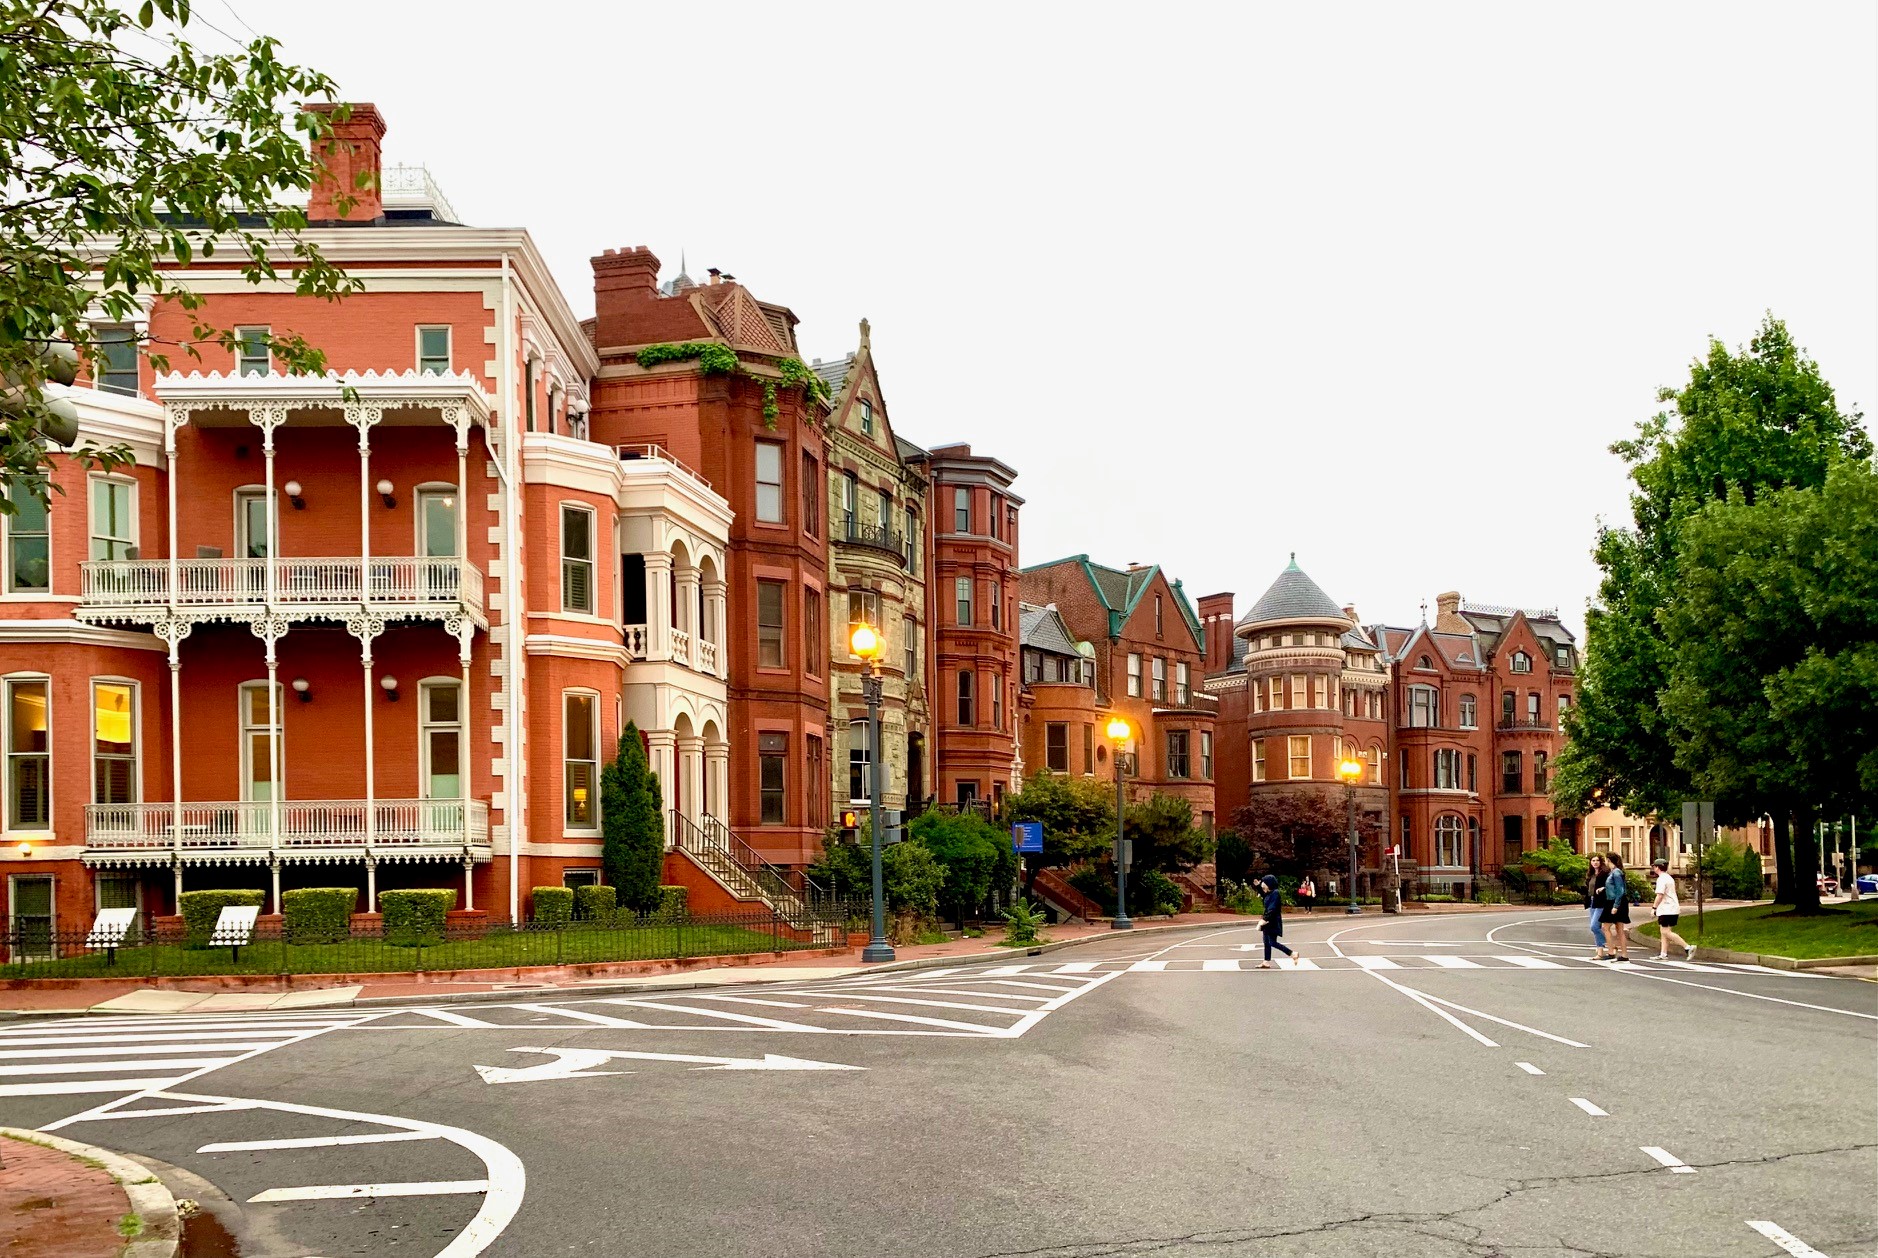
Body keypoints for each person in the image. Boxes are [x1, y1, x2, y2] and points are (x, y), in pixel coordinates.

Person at [1651, 859, 1695, 960]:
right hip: (1672, 908)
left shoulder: (1661, 879)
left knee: (1666, 932)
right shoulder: (1669, 878)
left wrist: (1654, 908)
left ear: (1657, 867)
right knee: (1664, 931)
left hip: (1667, 908)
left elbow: (1659, 895)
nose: (1653, 869)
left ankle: (1687, 947)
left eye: (1654, 867)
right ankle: (1663, 953)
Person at [1257, 874, 1294, 969]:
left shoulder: (1275, 893)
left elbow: (1272, 908)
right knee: (1266, 942)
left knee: (1272, 942)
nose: (1262, 885)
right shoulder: (1268, 893)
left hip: (1273, 921)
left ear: (1269, 884)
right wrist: (1258, 886)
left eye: (1264, 883)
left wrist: (1264, 919)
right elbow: (1263, 894)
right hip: (1267, 921)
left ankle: (1292, 953)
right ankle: (1266, 961)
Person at [1603, 852, 1632, 961]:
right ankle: (1624, 954)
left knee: (1605, 927)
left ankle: (1611, 951)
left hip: (1615, 902)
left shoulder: (1616, 873)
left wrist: (1615, 906)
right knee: (1619, 929)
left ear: (1609, 860)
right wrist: (1604, 889)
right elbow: (1614, 887)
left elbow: (1620, 890)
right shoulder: (1613, 872)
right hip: (1616, 901)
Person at [1586, 854, 1609, 959]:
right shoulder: (1590, 875)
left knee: (1594, 926)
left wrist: (1603, 888)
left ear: (1601, 862)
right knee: (1596, 928)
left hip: (1600, 902)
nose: (1595, 862)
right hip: (1591, 902)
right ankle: (1600, 952)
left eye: (1597, 860)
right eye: (1593, 860)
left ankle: (1610, 944)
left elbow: (1610, 885)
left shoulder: (1604, 873)